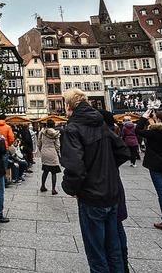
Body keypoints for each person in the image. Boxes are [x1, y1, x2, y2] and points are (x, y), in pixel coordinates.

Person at [60, 88, 130, 273]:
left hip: (91, 196)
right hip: (112, 194)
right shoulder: (101, 124)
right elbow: (122, 151)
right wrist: (106, 170)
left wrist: (71, 188)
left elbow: (75, 166)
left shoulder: (72, 128)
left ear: (69, 106)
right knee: (113, 249)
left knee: (96, 253)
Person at [37, 120, 61, 194]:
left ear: (47, 125)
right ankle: (53, 189)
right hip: (52, 153)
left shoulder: (42, 132)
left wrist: (41, 150)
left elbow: (39, 143)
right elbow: (57, 145)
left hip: (44, 152)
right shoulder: (56, 133)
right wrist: (58, 154)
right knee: (54, 172)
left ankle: (42, 186)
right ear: (53, 125)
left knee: (45, 170)